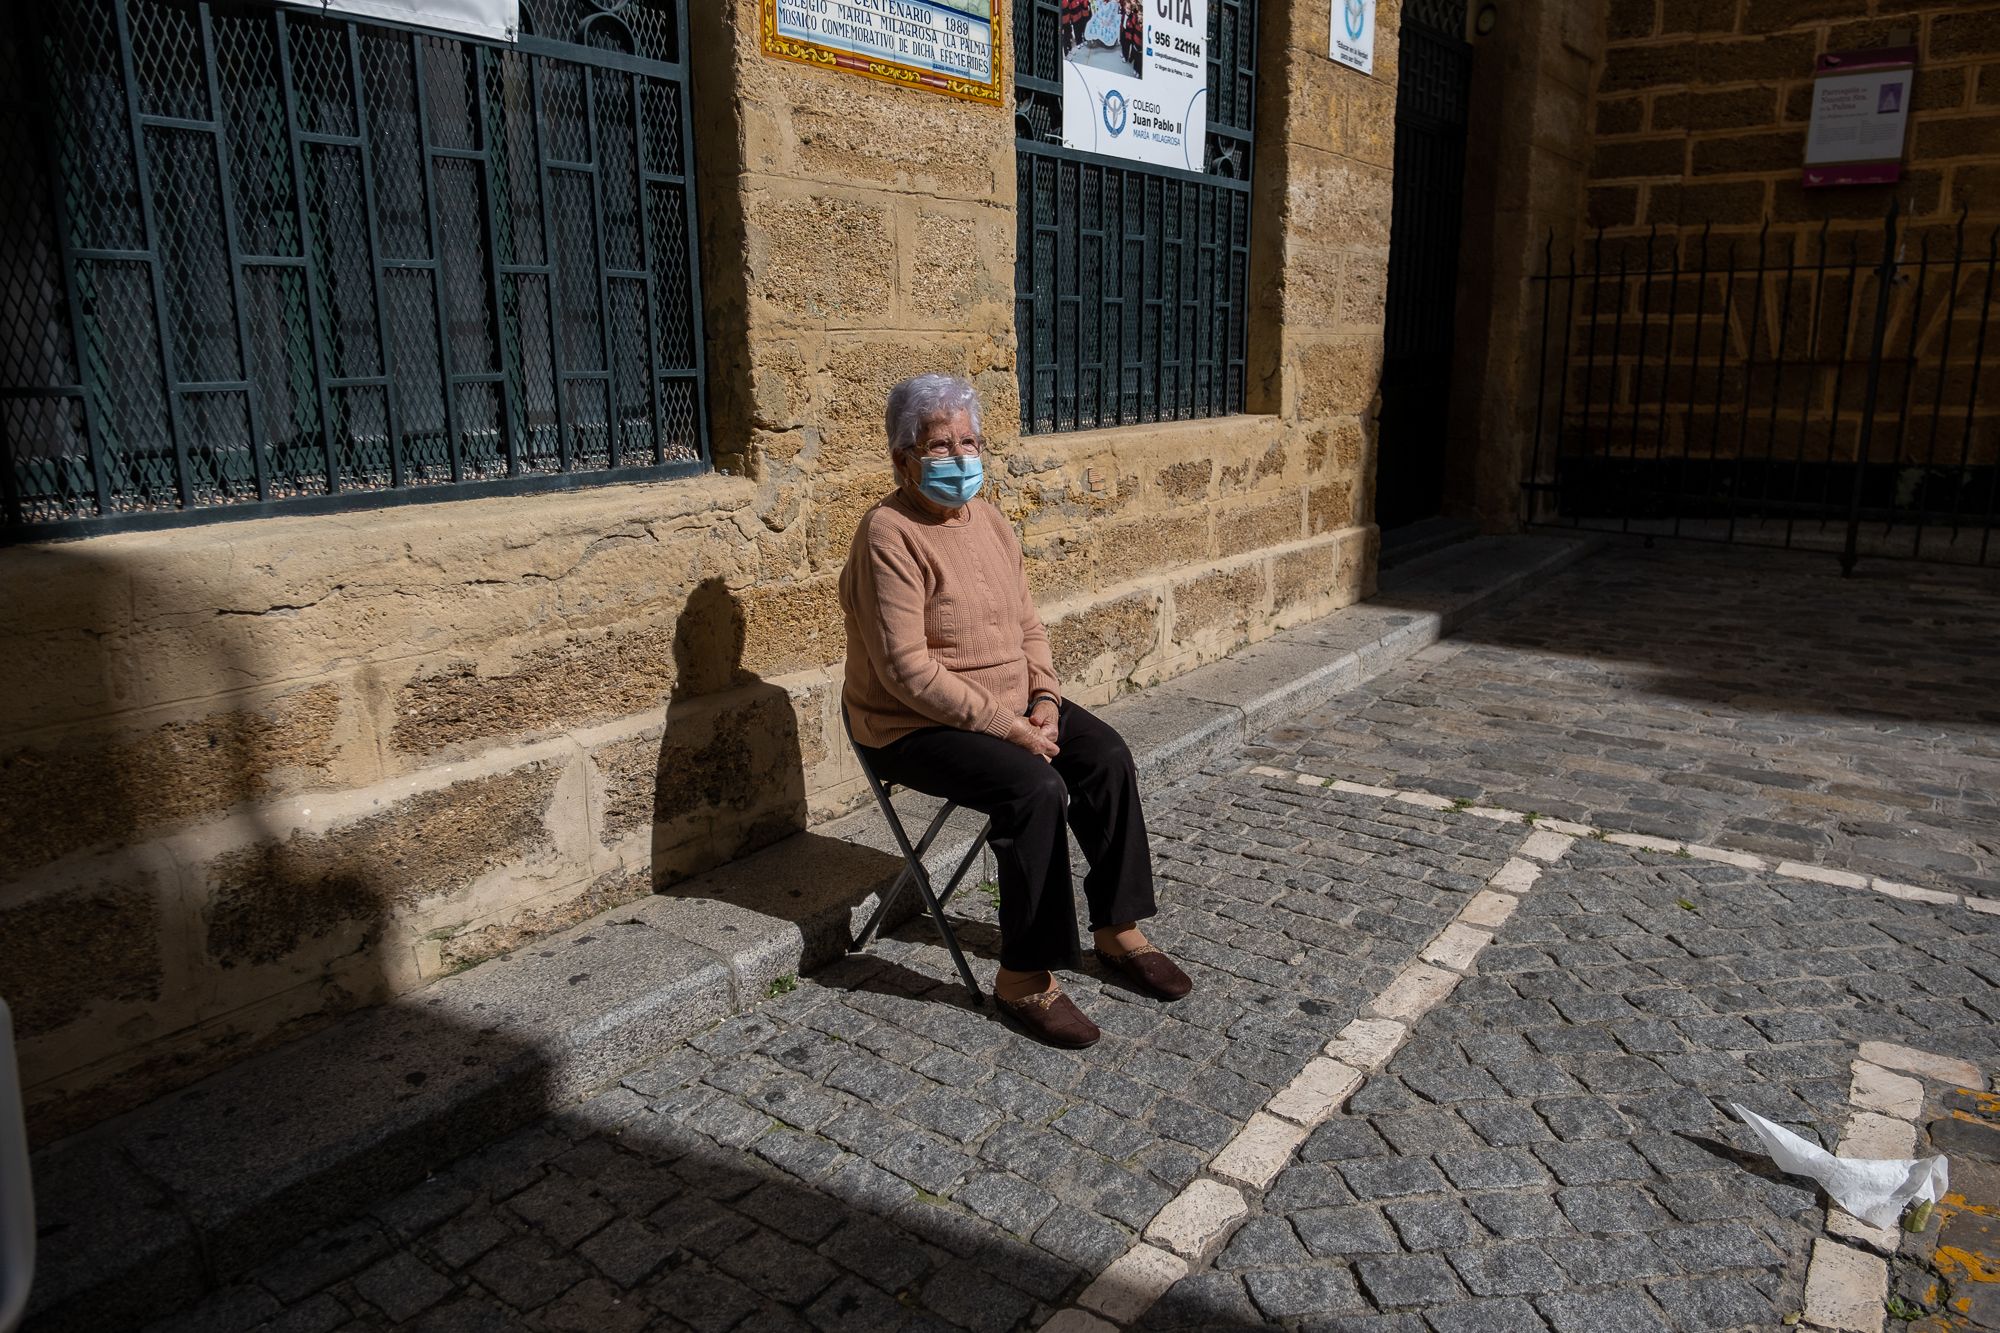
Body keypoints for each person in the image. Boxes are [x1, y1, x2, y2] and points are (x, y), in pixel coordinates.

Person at [838, 374, 1192, 1049]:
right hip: (911, 724)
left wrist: (1047, 702)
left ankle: (1118, 930)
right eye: (940, 445)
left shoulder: (991, 520)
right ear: (901, 458)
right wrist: (1011, 730)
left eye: (969, 441)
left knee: (1108, 756)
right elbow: (907, 671)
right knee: (1033, 787)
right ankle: (1023, 977)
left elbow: (1029, 625)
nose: (961, 457)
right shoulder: (888, 534)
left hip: (1011, 704)